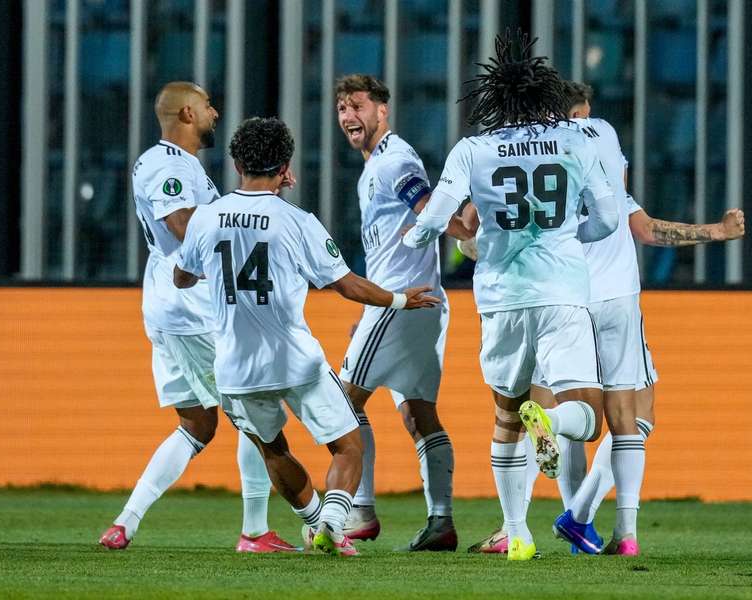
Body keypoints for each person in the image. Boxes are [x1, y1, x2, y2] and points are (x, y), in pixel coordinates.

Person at [465, 81, 746, 556]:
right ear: (584, 110)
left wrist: (474, 247)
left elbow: (480, 225)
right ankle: (611, 528)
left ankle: (529, 523)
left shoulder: (523, 158)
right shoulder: (601, 139)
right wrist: (718, 231)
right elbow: (645, 229)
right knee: (632, 416)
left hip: (557, 296)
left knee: (550, 408)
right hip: (614, 295)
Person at [174, 116, 441, 557]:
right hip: (295, 361)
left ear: (238, 162)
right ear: (286, 168)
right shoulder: (295, 219)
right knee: (348, 445)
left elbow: (182, 276)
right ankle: (334, 525)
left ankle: (317, 523)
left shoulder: (206, 218)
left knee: (273, 450)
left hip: (237, 369)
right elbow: (346, 283)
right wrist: (398, 299)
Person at [402, 31, 620, 561]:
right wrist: (571, 239)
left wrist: (414, 239)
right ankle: (550, 423)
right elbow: (609, 219)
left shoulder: (474, 149)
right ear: (547, 96)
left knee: (505, 415)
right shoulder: (576, 142)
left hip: (500, 295)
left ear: (494, 101)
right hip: (563, 292)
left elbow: (437, 214)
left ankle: (515, 531)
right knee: (588, 416)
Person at [98, 82, 294, 553]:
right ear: (187, 113)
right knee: (255, 412)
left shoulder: (165, 162)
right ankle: (255, 531)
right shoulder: (170, 167)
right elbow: (185, 228)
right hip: (191, 307)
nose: (215, 112)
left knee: (198, 424)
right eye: (208, 105)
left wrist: (255, 194)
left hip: (165, 304)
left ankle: (125, 522)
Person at [334, 74, 472, 551]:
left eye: (357, 106)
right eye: (342, 109)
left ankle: (361, 513)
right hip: (416, 302)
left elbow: (431, 209)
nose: (349, 116)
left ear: (382, 111)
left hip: (402, 300)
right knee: (419, 414)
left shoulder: (395, 160)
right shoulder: (377, 164)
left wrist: (467, 228)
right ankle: (441, 522)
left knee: (341, 404)